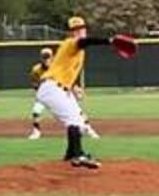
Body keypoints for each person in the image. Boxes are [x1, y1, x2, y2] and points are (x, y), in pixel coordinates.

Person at [35, 16, 125, 170]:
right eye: (75, 30)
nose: (79, 31)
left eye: (81, 28)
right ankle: (79, 155)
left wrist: (73, 86)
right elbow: (85, 42)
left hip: (60, 88)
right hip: (51, 88)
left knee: (79, 121)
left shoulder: (78, 50)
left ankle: (71, 153)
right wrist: (109, 41)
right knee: (73, 120)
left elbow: (65, 70)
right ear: (71, 33)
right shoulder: (71, 43)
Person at [29, 47, 99, 141]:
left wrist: (75, 89)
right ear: (41, 58)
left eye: (48, 57)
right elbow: (34, 82)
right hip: (46, 95)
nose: (46, 59)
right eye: (44, 57)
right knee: (36, 111)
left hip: (61, 93)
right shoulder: (36, 70)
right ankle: (36, 131)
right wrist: (39, 93)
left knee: (77, 111)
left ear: (52, 57)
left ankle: (89, 129)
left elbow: (69, 78)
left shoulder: (58, 67)